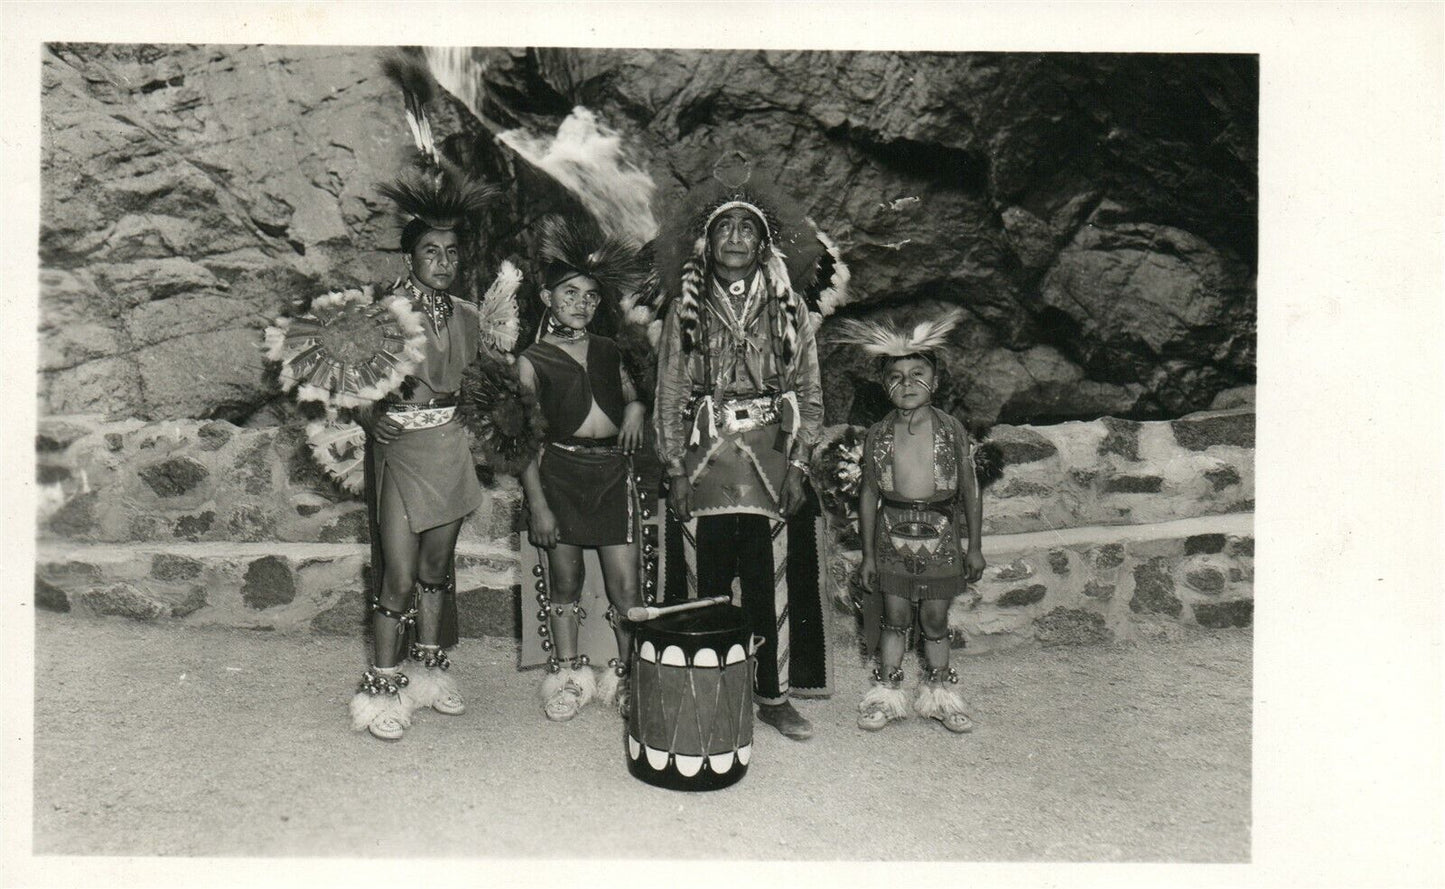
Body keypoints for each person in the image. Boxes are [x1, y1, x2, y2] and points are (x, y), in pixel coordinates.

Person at [653, 155, 836, 741]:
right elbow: (671, 389)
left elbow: (808, 389)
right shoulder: (686, 308)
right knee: (703, 578)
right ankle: (706, 687)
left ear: (763, 243)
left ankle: (773, 694)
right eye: (724, 228)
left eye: (746, 228)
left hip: (770, 456)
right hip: (705, 456)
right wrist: (675, 467)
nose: (735, 238)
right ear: (707, 243)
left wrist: (801, 462)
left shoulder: (791, 310)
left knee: (769, 578)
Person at [347, 163, 498, 741]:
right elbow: (350, 384)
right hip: (403, 453)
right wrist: (369, 415)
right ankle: (382, 687)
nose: (443, 261)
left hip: (450, 448)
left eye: (452, 252)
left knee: (437, 571)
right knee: (400, 577)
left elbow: (480, 382)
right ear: (410, 257)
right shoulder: (382, 313)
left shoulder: (468, 314)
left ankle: (430, 673)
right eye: (430, 251)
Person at [517, 214, 648, 721]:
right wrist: (539, 505)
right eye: (570, 294)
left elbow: (632, 391)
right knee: (565, 581)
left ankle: (630, 675)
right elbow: (525, 438)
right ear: (548, 298)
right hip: (560, 474)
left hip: (613, 475)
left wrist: (635, 408)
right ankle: (568, 676)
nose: (581, 304)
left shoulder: (610, 349)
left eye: (591, 297)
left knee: (626, 587)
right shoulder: (532, 359)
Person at [836, 309, 986, 733]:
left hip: (940, 537)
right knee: (895, 618)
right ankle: (886, 695)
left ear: (935, 382)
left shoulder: (951, 429)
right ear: (884, 385)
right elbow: (869, 493)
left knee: (935, 620)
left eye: (917, 373)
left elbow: (969, 491)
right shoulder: (878, 434)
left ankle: (941, 696)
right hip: (891, 538)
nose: (907, 384)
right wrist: (867, 555)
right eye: (896, 376)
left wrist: (972, 545)